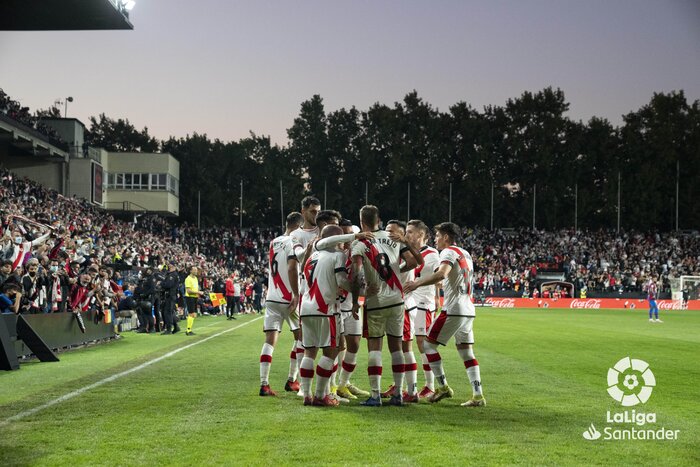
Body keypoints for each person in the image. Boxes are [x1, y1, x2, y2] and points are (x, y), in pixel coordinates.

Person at [405, 222, 486, 407]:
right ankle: (477, 395)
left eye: (438, 236)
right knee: (466, 352)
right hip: (468, 310)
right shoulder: (465, 253)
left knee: (427, 345)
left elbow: (442, 274)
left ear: (447, 238)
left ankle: (442, 387)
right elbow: (451, 279)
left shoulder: (448, 252)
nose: (436, 239)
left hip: (454, 309)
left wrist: (417, 283)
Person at [350, 205, 422, 407]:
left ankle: (375, 395)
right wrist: (397, 272)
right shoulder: (393, 237)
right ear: (378, 219)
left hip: (375, 302)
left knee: (375, 347)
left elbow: (356, 274)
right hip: (397, 300)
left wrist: (356, 301)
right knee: (396, 347)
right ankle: (398, 394)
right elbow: (413, 262)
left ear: (361, 221)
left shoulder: (361, 242)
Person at [298, 225, 351, 406]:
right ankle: (321, 396)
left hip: (306, 308)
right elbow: (341, 280)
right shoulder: (338, 256)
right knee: (331, 351)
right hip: (326, 309)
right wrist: (359, 288)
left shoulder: (312, 257)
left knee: (309, 351)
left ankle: (307, 394)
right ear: (335, 239)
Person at [259, 212, 303, 396]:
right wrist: (295, 293)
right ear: (299, 226)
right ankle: (293, 380)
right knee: (302, 339)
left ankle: (264, 384)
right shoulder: (293, 241)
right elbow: (292, 268)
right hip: (289, 298)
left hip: (272, 297)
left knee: (269, 341)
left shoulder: (274, 241)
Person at [287, 196, 321, 393]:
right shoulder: (296, 235)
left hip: (327, 290)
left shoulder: (323, 229)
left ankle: (332, 386)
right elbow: (297, 259)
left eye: (318, 211)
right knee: (304, 338)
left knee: (332, 341)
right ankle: (301, 385)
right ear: (303, 211)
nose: (316, 215)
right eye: (313, 211)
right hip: (307, 290)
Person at [335, 219, 371, 401]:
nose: (350, 238)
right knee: (338, 346)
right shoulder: (335, 254)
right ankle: (333, 386)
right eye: (346, 233)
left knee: (354, 345)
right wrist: (360, 290)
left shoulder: (356, 252)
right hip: (337, 307)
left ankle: (343, 384)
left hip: (352, 305)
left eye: (351, 233)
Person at [406, 219, 441, 399]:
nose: (407, 234)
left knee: (422, 343)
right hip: (410, 302)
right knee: (408, 343)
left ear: (421, 234)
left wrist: (435, 297)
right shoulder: (409, 252)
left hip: (423, 303)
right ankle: (409, 384)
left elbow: (440, 277)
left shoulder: (432, 254)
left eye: (411, 231)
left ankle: (430, 385)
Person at [160, 262, 181, 334]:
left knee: (167, 312)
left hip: (170, 295)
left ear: (173, 266)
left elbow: (168, 285)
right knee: (171, 312)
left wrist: (161, 283)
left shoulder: (172, 275)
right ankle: (176, 326)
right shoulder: (174, 274)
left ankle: (169, 329)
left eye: (170, 265)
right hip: (172, 295)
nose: (168, 266)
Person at [184, 266, 203, 336]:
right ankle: (188, 330)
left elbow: (195, 289)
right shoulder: (188, 279)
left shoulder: (195, 278)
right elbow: (188, 291)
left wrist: (198, 292)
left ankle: (189, 329)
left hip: (194, 297)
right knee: (191, 313)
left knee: (194, 314)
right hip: (189, 297)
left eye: (196, 270)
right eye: (194, 270)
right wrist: (198, 292)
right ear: (190, 271)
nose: (196, 271)